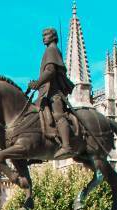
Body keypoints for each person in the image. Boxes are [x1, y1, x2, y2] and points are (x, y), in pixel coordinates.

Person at [27, 27, 75, 160]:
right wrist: (36, 84)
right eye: (43, 35)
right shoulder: (48, 51)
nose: (44, 37)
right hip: (46, 92)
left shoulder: (52, 50)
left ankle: (66, 145)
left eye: (46, 34)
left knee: (59, 115)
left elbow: (51, 71)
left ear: (53, 36)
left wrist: (37, 83)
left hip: (54, 92)